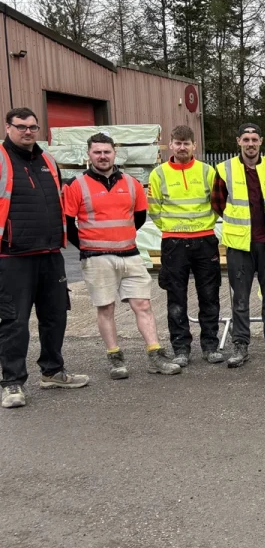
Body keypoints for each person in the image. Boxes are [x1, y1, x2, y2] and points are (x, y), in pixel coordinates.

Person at [63, 133, 181, 379]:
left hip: (130, 254)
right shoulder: (77, 185)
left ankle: (155, 355)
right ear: (89, 154)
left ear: (114, 153)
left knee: (143, 305)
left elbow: (138, 217)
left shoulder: (131, 183)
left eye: (107, 151)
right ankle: (115, 358)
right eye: (97, 152)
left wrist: (121, 238)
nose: (102, 156)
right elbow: (68, 223)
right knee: (106, 307)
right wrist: (88, 246)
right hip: (96, 258)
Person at [0, 108, 89, 408]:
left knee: (55, 316)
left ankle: (52, 371)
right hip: (13, 255)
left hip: (51, 253)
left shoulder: (47, 160)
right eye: (21, 126)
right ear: (8, 127)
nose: (28, 132)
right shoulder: (1, 159)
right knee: (14, 321)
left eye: (33, 127)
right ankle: (12, 383)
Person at [211, 123, 265, 367]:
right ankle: (240, 345)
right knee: (240, 299)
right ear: (238, 141)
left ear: (261, 141)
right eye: (246, 139)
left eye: (254, 139)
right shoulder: (225, 169)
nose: (250, 144)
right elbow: (218, 203)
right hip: (240, 246)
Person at [147, 125, 224, 366]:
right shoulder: (158, 174)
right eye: (177, 143)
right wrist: (171, 228)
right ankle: (181, 348)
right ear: (171, 144)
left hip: (204, 240)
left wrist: (203, 225)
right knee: (176, 298)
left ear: (194, 145)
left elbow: (217, 204)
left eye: (186, 143)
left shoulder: (207, 171)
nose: (182, 147)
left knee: (209, 295)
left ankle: (210, 345)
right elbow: (154, 208)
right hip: (174, 243)